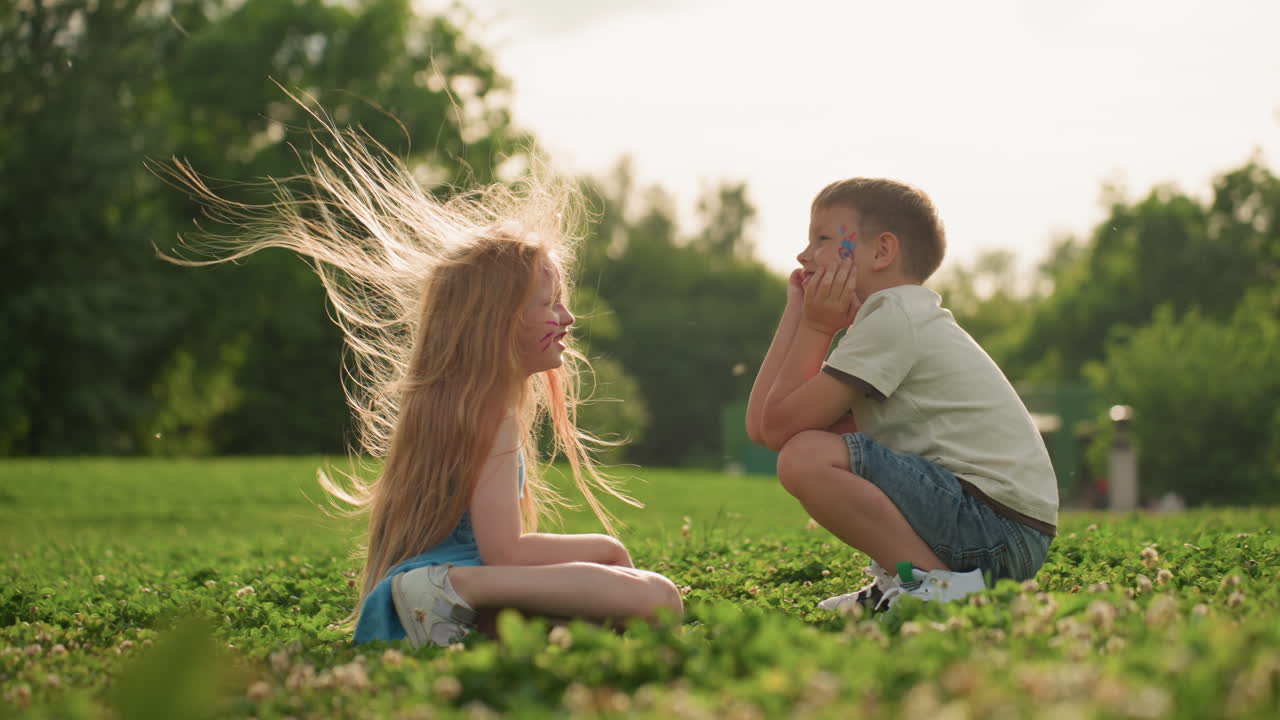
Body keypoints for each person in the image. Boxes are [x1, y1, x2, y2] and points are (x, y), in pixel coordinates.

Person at [161, 108, 682, 647]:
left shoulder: (463, 401)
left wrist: (600, 550)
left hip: (430, 593)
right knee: (658, 596)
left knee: (614, 562)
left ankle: (464, 604)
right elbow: (504, 553)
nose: (568, 319)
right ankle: (447, 591)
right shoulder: (492, 416)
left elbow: (502, 549)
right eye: (550, 305)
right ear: (496, 323)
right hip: (439, 590)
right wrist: (590, 557)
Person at [745, 178, 1057, 612]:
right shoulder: (896, 319)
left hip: (994, 530)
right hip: (1000, 532)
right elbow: (763, 426)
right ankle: (919, 582)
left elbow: (782, 430)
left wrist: (816, 328)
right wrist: (798, 308)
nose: (804, 254)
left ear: (881, 251)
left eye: (822, 238)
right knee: (807, 450)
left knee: (806, 457)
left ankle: (936, 588)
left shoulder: (894, 317)